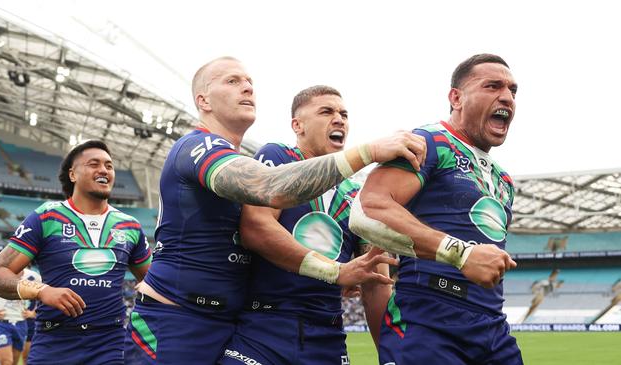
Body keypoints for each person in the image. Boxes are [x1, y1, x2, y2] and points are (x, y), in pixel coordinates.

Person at [125, 56, 426, 364]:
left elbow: (375, 280)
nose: (247, 87)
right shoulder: (197, 146)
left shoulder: (348, 194)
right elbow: (270, 190)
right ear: (203, 100)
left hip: (233, 323)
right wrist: (369, 152)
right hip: (178, 318)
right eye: (232, 81)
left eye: (250, 83)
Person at [349, 53, 522, 364]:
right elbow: (368, 209)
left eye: (513, 90)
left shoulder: (504, 181)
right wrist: (462, 254)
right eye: (493, 86)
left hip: (492, 328)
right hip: (428, 319)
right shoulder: (430, 142)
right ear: (456, 97)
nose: (507, 97)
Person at [219, 85, 394, 365]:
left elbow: (377, 283)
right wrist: (337, 272)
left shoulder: (359, 196)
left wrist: (389, 356)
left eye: (344, 114)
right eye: (326, 111)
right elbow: (256, 228)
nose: (339, 119)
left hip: (327, 335)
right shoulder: (277, 158)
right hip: (264, 328)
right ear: (297, 125)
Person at [0, 140, 152, 365]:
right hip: (54, 342)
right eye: (94, 164)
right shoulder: (47, 217)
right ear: (73, 174)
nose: (103, 170)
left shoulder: (129, 225)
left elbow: (154, 283)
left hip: (110, 344)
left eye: (109, 166)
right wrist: (42, 291)